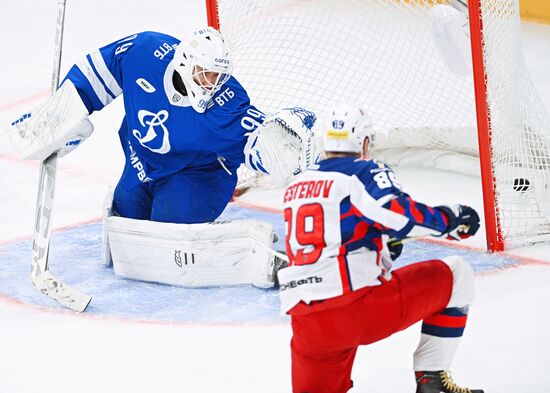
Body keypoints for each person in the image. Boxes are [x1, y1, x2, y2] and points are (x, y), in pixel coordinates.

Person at [7, 27, 314, 288]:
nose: (211, 83)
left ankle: (235, 250)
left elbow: (257, 139)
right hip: (142, 164)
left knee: (166, 236)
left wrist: (282, 149)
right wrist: (62, 112)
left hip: (200, 174)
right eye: (204, 74)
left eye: (218, 76)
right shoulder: (143, 52)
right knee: (125, 226)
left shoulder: (225, 103)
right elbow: (95, 72)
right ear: (183, 62)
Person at [277, 104, 484, 393]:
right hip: (358, 308)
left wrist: (383, 251)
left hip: (307, 323)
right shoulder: (362, 171)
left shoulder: (295, 185)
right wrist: (449, 219)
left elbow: (331, 241)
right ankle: (432, 382)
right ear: (363, 142)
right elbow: (397, 214)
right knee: (457, 274)